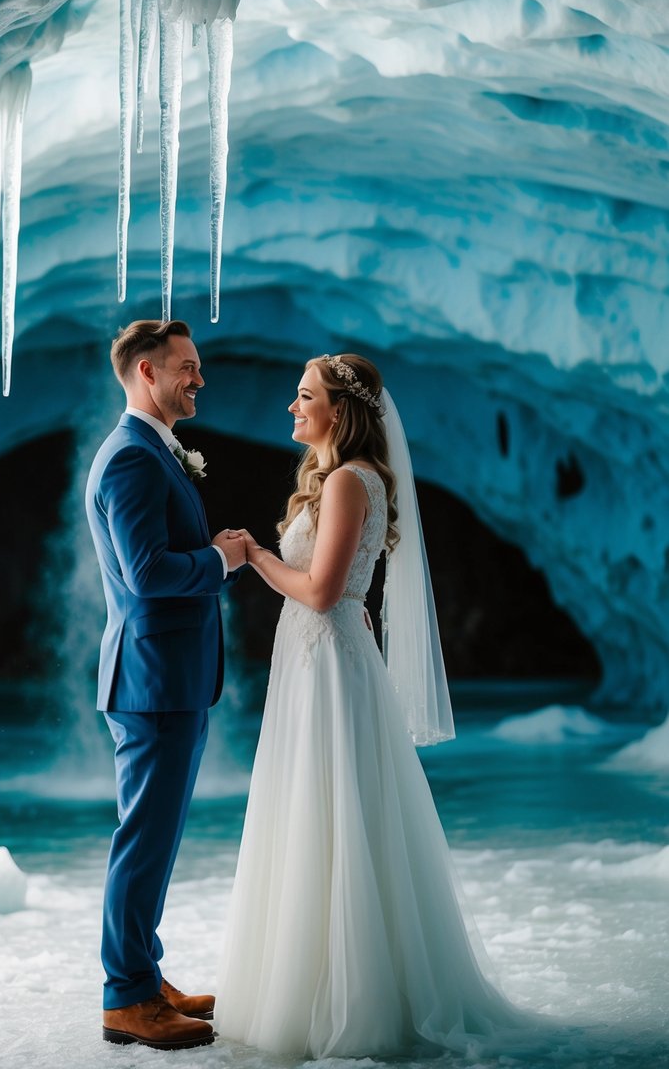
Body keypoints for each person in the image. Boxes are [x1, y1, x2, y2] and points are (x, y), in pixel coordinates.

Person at [215, 352, 531, 1059]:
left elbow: (324, 591)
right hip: (316, 660)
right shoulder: (332, 482)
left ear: (339, 409)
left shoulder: (353, 482)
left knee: (335, 816)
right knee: (312, 813)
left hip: (329, 663)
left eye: (304, 397)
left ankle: (351, 999)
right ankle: (304, 983)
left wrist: (251, 556)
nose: (291, 408)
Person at [85, 319, 245, 1051]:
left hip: (168, 677)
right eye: (187, 367)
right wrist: (218, 560)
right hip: (151, 681)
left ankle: (144, 976)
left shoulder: (151, 451)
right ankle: (126, 998)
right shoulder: (130, 459)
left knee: (154, 835)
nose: (198, 379)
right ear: (146, 372)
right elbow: (148, 576)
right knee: (142, 840)